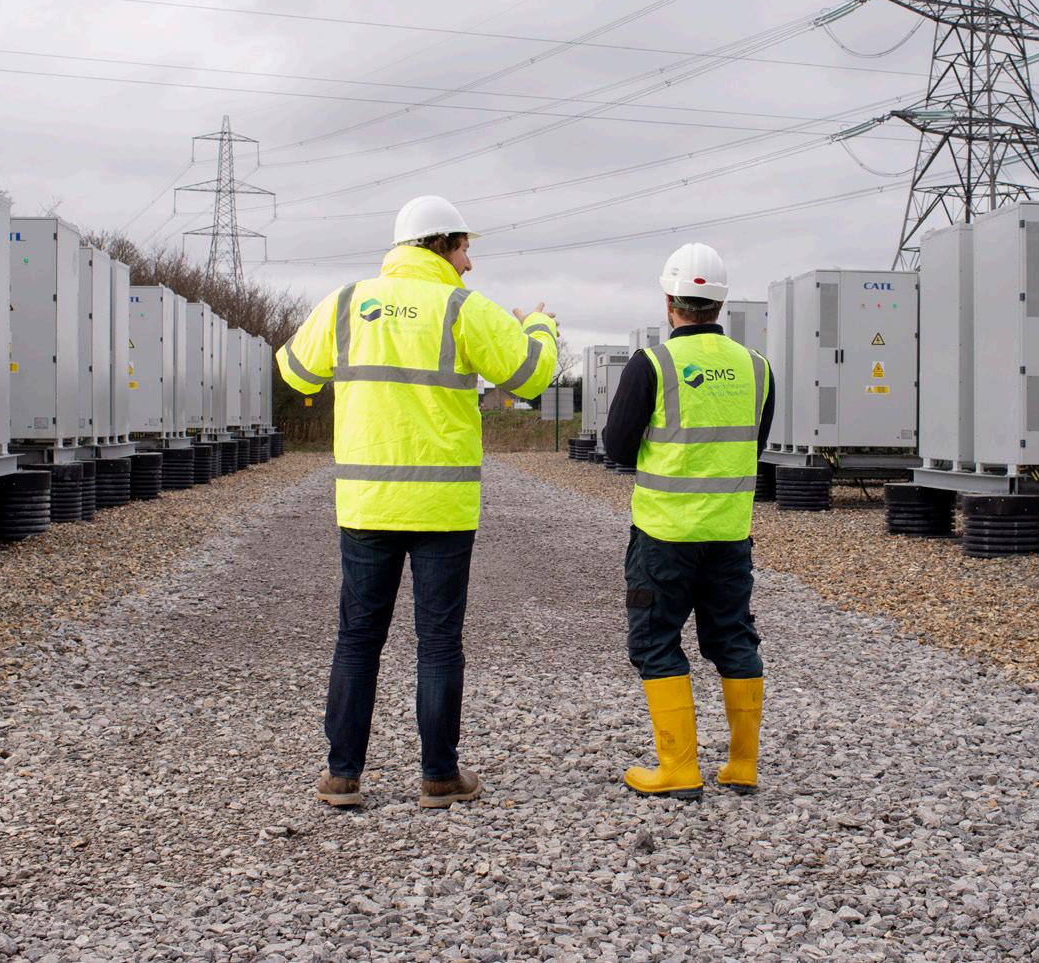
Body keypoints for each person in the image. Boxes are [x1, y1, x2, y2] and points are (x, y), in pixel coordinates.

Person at [276, 194, 559, 809]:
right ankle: (439, 776)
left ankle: (342, 776)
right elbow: (534, 376)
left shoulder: (347, 301)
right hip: (442, 507)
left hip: (368, 503)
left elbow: (295, 373)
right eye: (464, 249)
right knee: (438, 641)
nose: (469, 263)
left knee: (358, 638)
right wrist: (539, 327)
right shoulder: (463, 308)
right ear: (440, 245)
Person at [602, 242, 773, 801]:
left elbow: (617, 447)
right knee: (733, 637)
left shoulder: (652, 364)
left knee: (655, 640)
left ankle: (678, 768)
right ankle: (742, 765)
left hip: (665, 535)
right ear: (721, 303)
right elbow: (754, 445)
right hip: (729, 534)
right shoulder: (757, 367)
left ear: (668, 301)